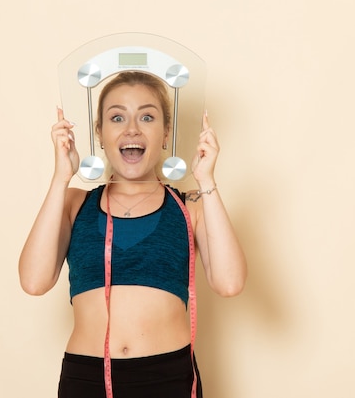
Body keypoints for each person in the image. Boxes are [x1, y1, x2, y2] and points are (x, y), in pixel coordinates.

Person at [19, 71, 247, 398]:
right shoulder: (74, 202)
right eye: (116, 117)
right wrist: (60, 177)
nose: (132, 128)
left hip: (168, 378)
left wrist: (206, 180)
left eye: (147, 116)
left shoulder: (191, 207)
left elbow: (229, 283)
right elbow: (33, 281)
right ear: (99, 132)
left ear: (166, 132)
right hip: (87, 378)